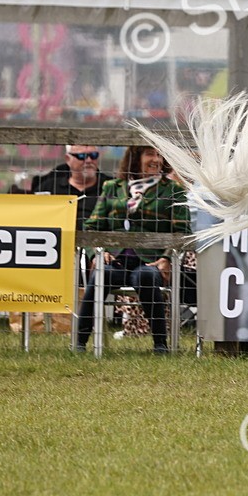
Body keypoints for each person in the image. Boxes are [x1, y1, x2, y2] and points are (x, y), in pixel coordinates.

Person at [75, 146, 189, 353]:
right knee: (101, 274)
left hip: (151, 261)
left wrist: (166, 259)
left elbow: (182, 232)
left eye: (159, 154)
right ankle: (80, 343)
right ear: (135, 158)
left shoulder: (173, 190)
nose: (156, 159)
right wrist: (98, 252)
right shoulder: (112, 187)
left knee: (146, 276)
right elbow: (91, 227)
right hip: (115, 260)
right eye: (150, 154)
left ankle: (160, 345)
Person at [30, 145, 112, 228]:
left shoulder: (111, 187)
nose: (89, 160)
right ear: (68, 159)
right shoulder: (49, 187)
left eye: (94, 155)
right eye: (82, 156)